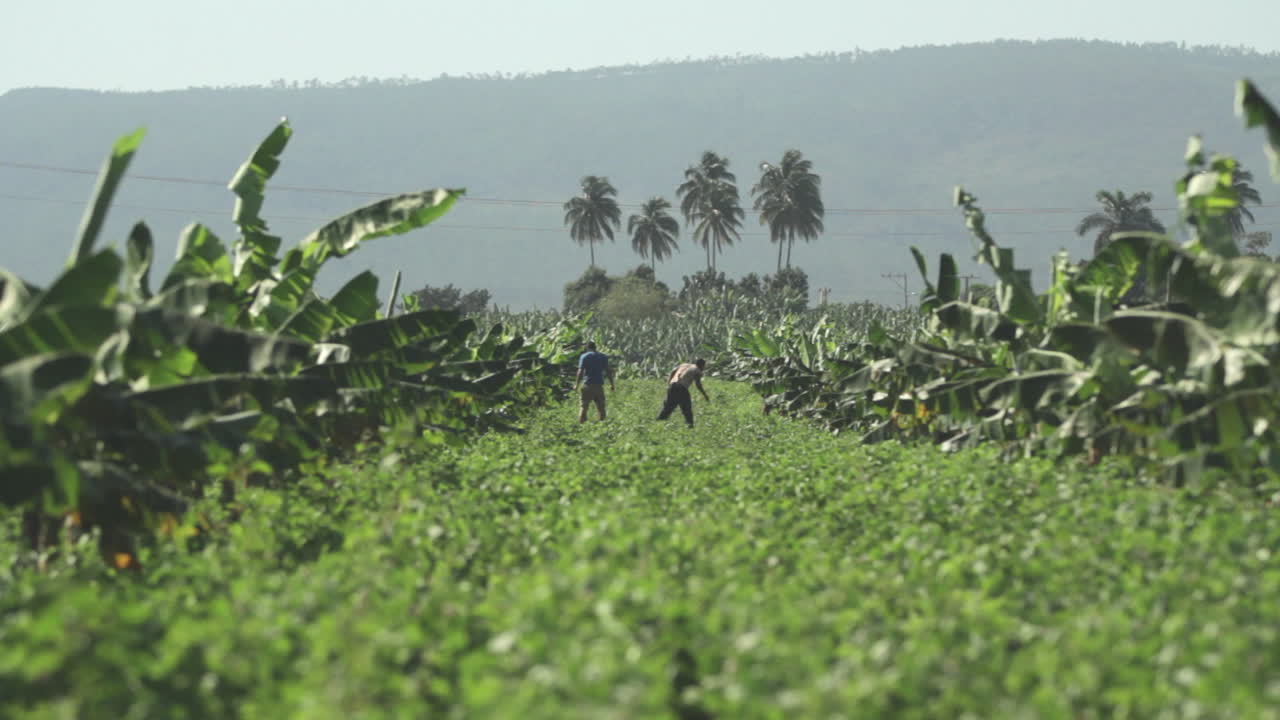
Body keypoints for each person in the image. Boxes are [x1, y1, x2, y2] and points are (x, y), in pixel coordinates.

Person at [657, 358, 710, 428]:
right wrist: (705, 395)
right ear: (701, 365)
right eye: (704, 366)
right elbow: (698, 385)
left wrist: (669, 383)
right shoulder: (697, 370)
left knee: (668, 407)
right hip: (681, 388)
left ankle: (659, 422)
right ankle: (690, 426)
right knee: (687, 408)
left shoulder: (684, 365)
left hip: (673, 386)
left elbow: (673, 371)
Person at [575, 342, 615, 423]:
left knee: (584, 407)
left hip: (587, 385)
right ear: (595, 347)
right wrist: (612, 384)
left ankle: (581, 426)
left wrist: (576, 385)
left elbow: (580, 371)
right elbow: (608, 371)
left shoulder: (584, 356)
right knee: (601, 407)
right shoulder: (603, 356)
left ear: (587, 348)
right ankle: (602, 425)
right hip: (598, 386)